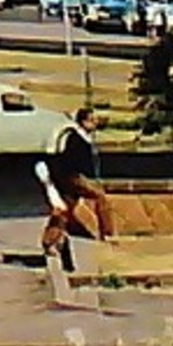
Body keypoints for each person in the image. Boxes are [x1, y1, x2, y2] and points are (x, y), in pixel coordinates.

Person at [44, 107, 114, 249]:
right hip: (71, 177)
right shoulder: (75, 139)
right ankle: (107, 233)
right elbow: (74, 161)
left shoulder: (84, 139)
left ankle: (49, 240)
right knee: (100, 196)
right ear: (83, 122)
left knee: (65, 210)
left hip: (69, 177)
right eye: (92, 120)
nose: (95, 123)